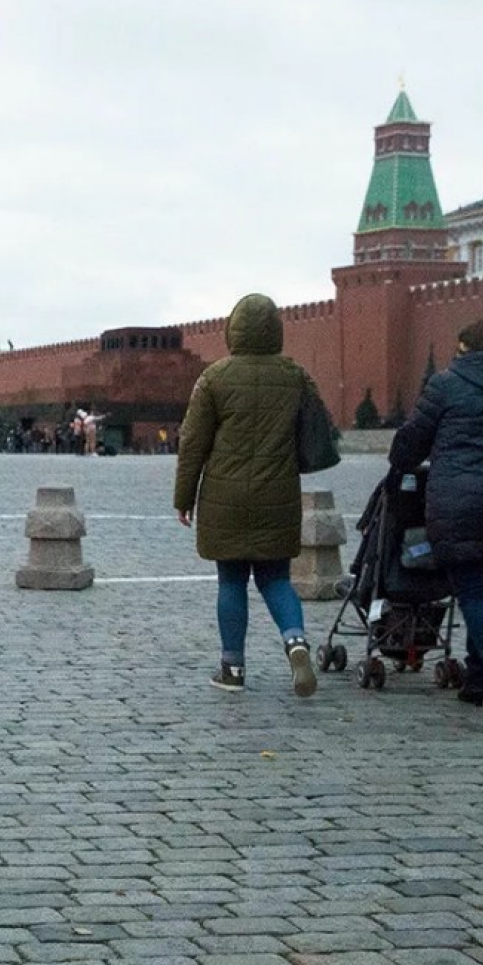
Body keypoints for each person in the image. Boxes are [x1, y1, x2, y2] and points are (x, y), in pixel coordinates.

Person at [173, 293, 318, 698]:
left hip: (225, 495)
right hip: (278, 492)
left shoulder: (215, 377)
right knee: (275, 578)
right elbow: (313, 434)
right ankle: (296, 642)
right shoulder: (295, 375)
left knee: (231, 579)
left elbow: (193, 443)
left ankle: (232, 668)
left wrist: (183, 497)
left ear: (232, 329)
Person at [389, 319, 483, 726]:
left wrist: (401, 461)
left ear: (468, 347)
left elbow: (413, 440)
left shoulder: (446, 384)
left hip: (462, 503)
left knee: (477, 594)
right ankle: (476, 681)